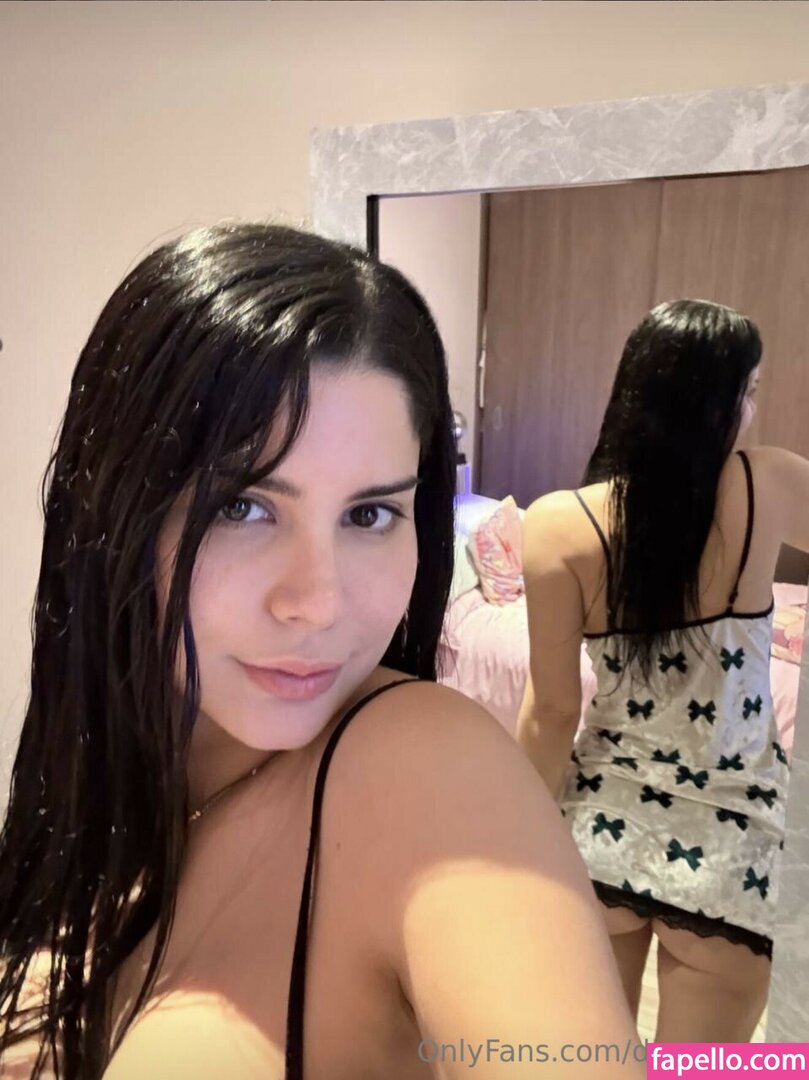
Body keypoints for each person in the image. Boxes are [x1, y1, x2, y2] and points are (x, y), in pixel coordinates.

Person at [0, 224, 642, 1079]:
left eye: (369, 515)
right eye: (241, 507)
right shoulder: (99, 787)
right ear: (114, 516)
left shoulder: (423, 767)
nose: (320, 603)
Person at [517, 298, 809, 1043]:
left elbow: (551, 713)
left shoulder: (556, 525)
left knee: (593, 1059)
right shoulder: (768, 481)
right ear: (718, 403)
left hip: (599, 828)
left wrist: (517, 840)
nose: (750, 411)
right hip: (732, 848)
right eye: (747, 392)